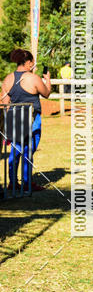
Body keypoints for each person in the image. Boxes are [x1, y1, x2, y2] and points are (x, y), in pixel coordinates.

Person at [1, 49, 51, 191]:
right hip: (32, 117)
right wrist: (47, 79)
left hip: (13, 117)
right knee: (29, 150)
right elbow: (46, 93)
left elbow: (4, 103)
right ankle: (27, 182)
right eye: (32, 62)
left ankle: (13, 182)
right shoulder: (33, 78)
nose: (33, 64)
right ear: (28, 62)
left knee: (15, 149)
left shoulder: (8, 79)